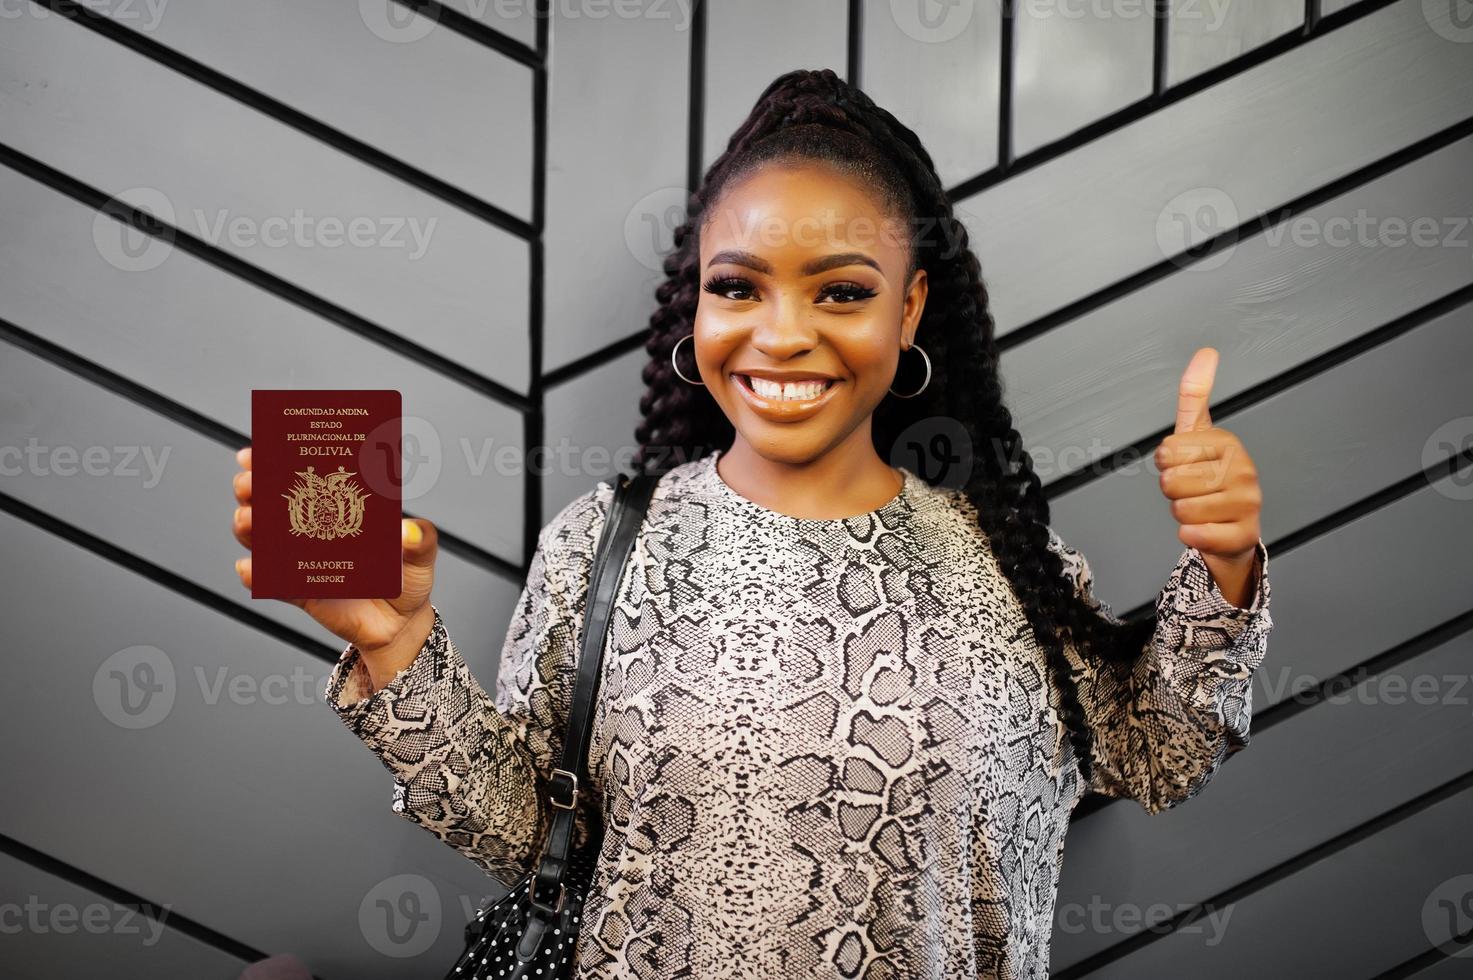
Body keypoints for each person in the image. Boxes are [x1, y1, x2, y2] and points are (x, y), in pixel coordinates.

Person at [230, 68, 1271, 980]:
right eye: (739, 286)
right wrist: (395, 645)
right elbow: (538, 838)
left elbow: (1156, 756)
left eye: (841, 291)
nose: (783, 334)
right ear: (698, 302)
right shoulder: (602, 546)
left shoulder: (1007, 564)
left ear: (906, 313)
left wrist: (1221, 563)